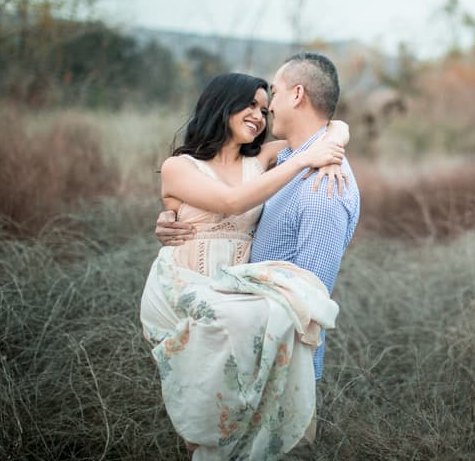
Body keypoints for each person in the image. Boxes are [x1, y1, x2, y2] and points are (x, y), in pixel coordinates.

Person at [148, 54, 360, 458]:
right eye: (251, 105)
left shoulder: (272, 163)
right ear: (220, 105)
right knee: (202, 423)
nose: (262, 113)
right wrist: (307, 158)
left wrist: (339, 134)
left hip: (247, 320)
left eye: (267, 103)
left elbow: (326, 126)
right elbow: (229, 201)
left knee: (232, 435)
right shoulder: (184, 166)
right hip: (191, 297)